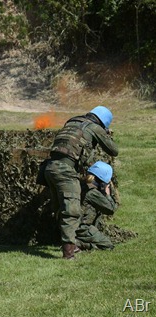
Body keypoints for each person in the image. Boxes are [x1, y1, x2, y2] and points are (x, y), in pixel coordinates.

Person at [44, 105, 119, 259]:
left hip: (49, 167)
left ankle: (71, 244)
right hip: (66, 170)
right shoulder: (94, 128)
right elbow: (113, 150)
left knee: (59, 208)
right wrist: (105, 134)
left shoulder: (72, 122)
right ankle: (69, 253)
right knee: (71, 211)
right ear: (103, 122)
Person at [75, 161, 119, 251]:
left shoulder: (80, 184)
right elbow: (111, 209)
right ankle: (77, 243)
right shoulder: (93, 193)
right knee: (108, 245)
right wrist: (107, 194)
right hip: (82, 229)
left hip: (71, 225)